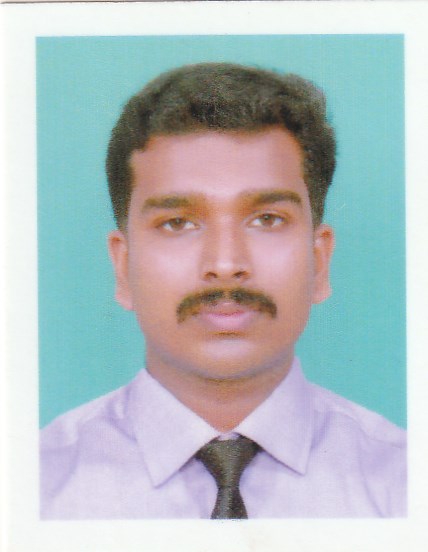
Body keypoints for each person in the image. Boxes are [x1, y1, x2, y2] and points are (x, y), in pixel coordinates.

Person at [40, 62, 406, 519]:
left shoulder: (404, 485)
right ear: (123, 266)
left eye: (267, 219)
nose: (226, 264)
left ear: (320, 261)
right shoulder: (32, 490)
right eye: (178, 223)